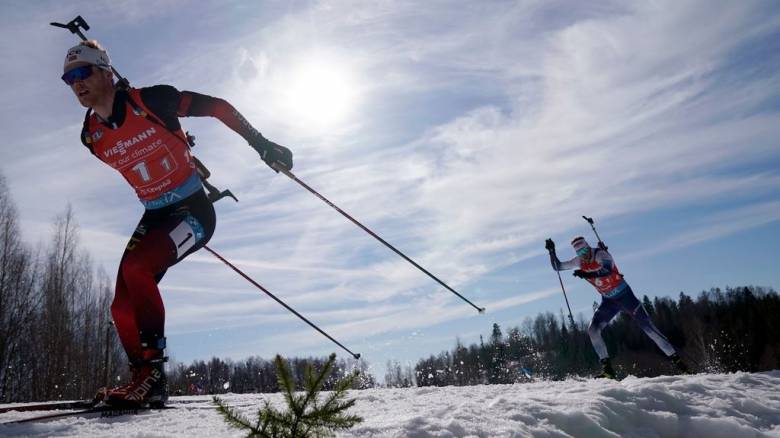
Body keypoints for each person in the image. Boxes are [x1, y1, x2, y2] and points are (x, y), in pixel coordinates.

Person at [61, 40, 293, 407]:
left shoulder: (152, 100)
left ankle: (153, 377)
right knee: (120, 308)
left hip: (194, 211)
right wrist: (178, 145)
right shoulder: (91, 137)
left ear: (106, 71)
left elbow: (217, 107)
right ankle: (143, 378)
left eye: (83, 72)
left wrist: (261, 144)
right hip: (155, 215)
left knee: (138, 268)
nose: (76, 83)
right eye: (69, 78)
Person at [545, 236, 688, 378]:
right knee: (593, 330)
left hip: (625, 297)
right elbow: (558, 267)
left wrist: (586, 273)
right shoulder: (579, 262)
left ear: (588, 247)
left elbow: (607, 270)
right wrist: (552, 251)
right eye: (580, 253)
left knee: (649, 329)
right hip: (609, 302)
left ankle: (681, 365)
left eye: (585, 250)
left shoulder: (600, 254)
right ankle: (608, 370)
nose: (584, 255)